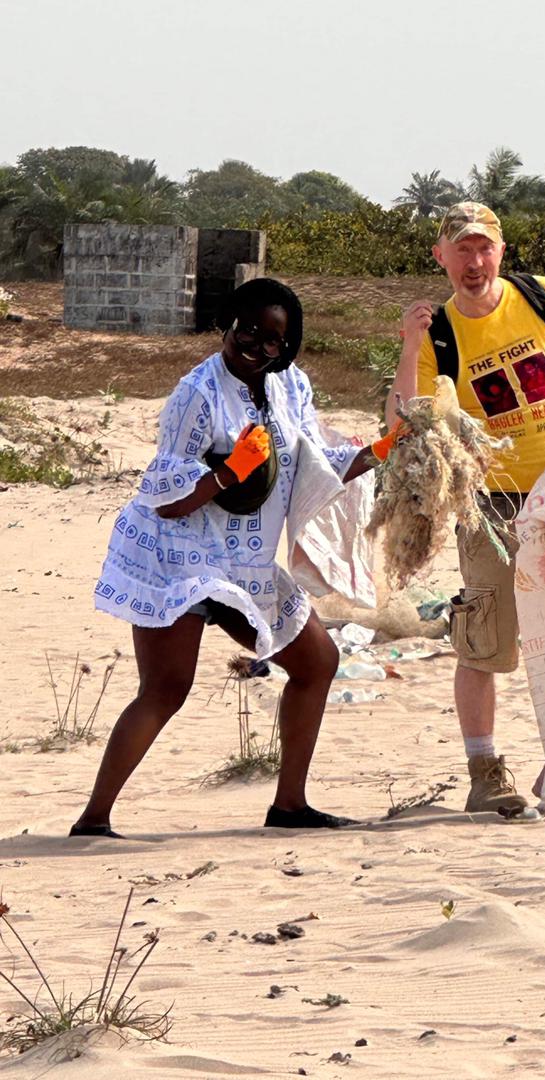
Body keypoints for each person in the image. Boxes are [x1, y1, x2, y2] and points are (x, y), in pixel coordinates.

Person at [72, 278, 400, 838]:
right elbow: (168, 499)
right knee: (166, 688)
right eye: (246, 329)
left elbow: (317, 467)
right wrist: (227, 473)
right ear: (228, 325)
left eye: (273, 338)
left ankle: (289, 806)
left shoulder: (292, 387)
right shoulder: (196, 393)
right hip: (178, 558)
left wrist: (382, 450)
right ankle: (93, 820)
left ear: (287, 346)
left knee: (317, 663)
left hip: (243, 563)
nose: (255, 344)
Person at [386, 202, 545, 815]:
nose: (474, 263)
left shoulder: (544, 296)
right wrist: (412, 342)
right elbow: (403, 419)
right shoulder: (438, 330)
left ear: (500, 251)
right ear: (440, 257)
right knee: (485, 635)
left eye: (484, 249)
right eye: (461, 251)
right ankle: (484, 770)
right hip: (491, 506)